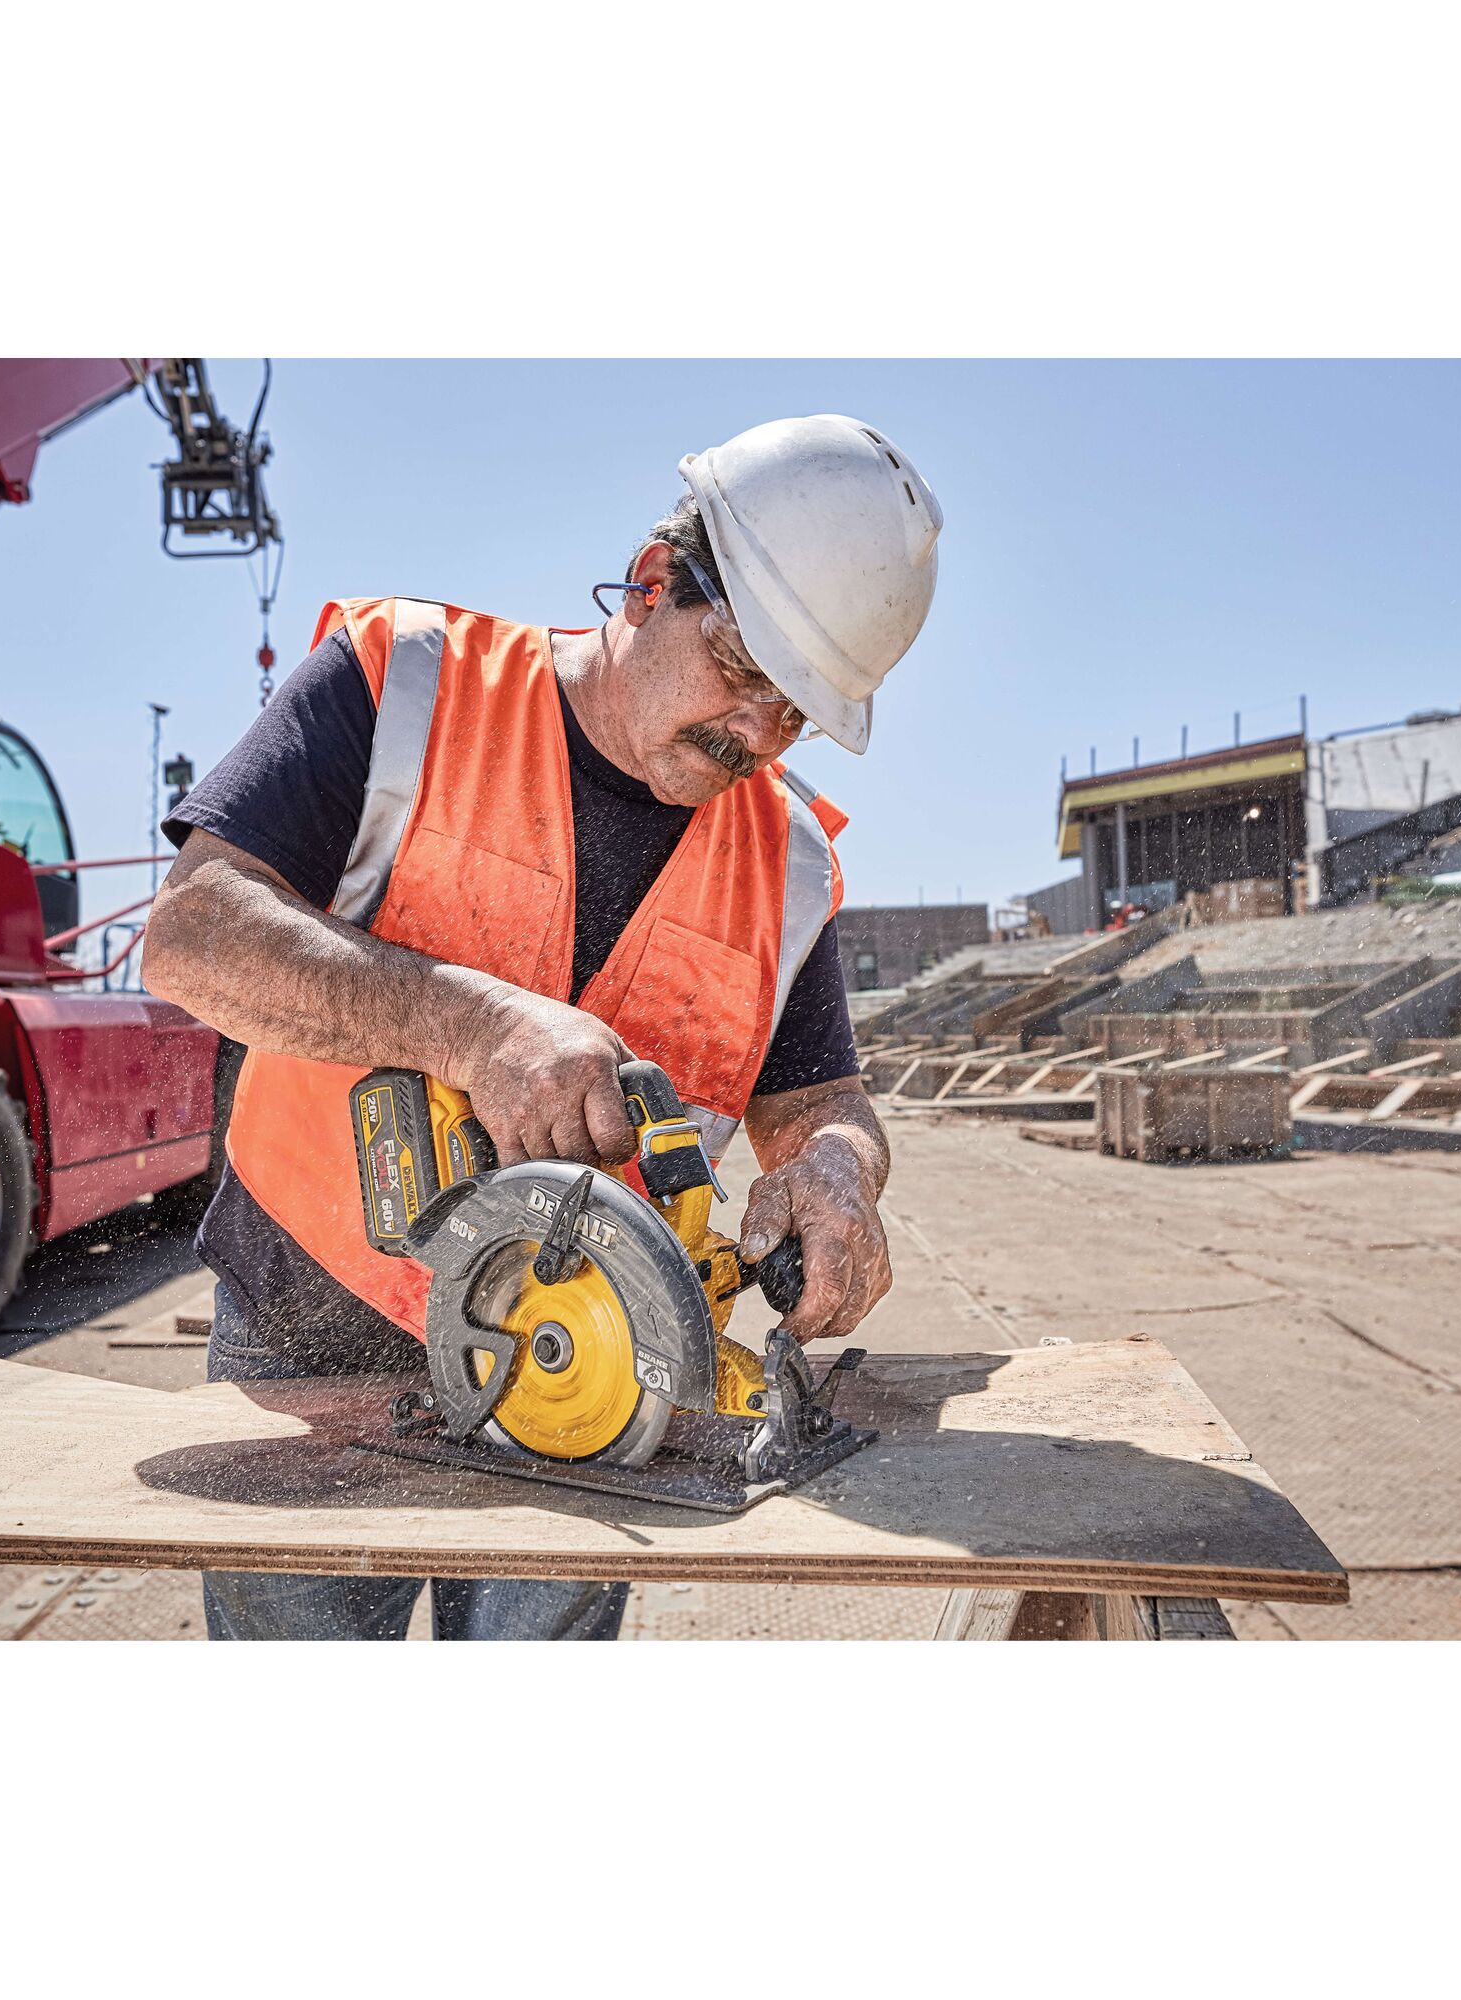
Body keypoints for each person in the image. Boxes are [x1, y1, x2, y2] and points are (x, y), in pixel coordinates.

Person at [141, 413, 943, 1641]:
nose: (757, 737)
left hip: (596, 1380)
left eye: (797, 713)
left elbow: (818, 1101)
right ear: (656, 577)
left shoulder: (783, 860)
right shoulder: (403, 680)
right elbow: (194, 934)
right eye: (741, 674)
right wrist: (461, 1021)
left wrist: (833, 1173)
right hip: (311, 1335)